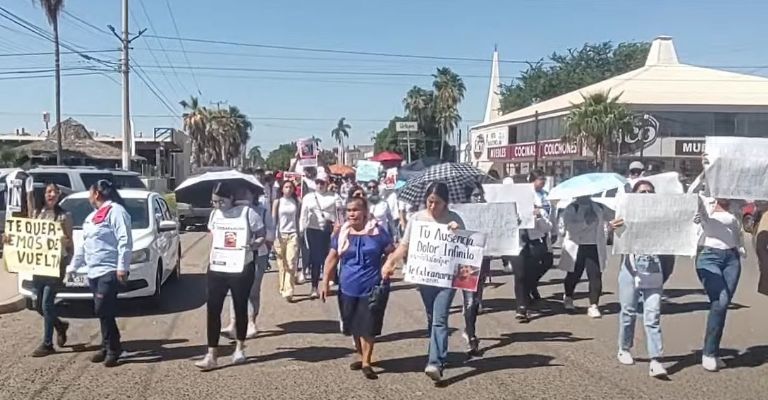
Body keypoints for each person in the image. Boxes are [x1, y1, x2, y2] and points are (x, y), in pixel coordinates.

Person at [382, 182, 465, 382]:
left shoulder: (454, 219)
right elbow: (405, 245)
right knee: (432, 315)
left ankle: (435, 362)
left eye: (437, 203)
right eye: (429, 201)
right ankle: (439, 350)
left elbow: (467, 250)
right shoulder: (416, 219)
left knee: (440, 317)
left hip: (447, 278)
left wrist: (459, 233)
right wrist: (390, 262)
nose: (432, 206)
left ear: (446, 203)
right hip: (425, 277)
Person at [319, 196, 394, 380]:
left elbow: (391, 252)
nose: (352, 214)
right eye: (349, 210)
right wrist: (324, 281)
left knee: (367, 326)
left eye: (356, 210)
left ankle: (367, 362)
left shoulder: (378, 232)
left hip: (372, 286)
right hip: (347, 287)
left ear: (365, 212)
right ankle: (361, 356)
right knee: (353, 325)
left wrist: (387, 267)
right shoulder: (342, 233)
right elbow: (332, 258)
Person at [196, 182, 265, 370]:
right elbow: (214, 235)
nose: (218, 205)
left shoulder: (248, 213)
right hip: (218, 266)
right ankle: (211, 354)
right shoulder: (215, 215)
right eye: (214, 202)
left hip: (241, 266)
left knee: (240, 305)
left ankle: (240, 347)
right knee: (213, 309)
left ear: (231, 198)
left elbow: (261, 235)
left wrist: (252, 244)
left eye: (221, 201)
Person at [66, 180, 132, 368]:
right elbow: (83, 246)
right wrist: (73, 267)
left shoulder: (117, 211)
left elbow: (125, 241)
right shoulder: (92, 217)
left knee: (102, 308)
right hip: (93, 271)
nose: (88, 196)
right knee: (104, 311)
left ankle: (113, 348)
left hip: (109, 270)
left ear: (96, 194)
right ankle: (108, 345)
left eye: (89, 192)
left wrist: (122, 267)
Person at [609, 180, 668, 378]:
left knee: (652, 315)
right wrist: (612, 228)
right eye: (642, 191)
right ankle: (624, 348)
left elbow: (677, 232)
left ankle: (656, 360)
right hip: (630, 269)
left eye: (650, 192)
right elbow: (614, 238)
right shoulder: (626, 214)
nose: (646, 194)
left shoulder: (661, 216)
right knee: (629, 312)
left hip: (653, 268)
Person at [20, 181, 74, 357]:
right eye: (49, 192)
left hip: (55, 266)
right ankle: (60, 325)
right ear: (44, 195)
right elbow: (26, 236)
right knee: (40, 307)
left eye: (55, 192)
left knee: (47, 303)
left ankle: (47, 343)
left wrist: (61, 241)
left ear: (59, 196)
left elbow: (69, 241)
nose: (52, 195)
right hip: (39, 266)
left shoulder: (64, 216)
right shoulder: (37, 214)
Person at [693, 193, 745, 372]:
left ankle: (712, 351)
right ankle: (708, 353)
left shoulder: (736, 203)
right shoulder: (704, 200)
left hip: (732, 258)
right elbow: (693, 217)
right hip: (708, 257)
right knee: (720, 300)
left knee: (721, 306)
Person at [221, 186, 276, 338]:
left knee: (252, 289)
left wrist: (259, 240)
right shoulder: (231, 213)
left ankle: (251, 322)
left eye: (245, 191)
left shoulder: (262, 212)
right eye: (239, 191)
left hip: (258, 254)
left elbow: (271, 233)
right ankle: (233, 323)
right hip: (235, 256)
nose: (242, 194)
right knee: (234, 289)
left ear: (253, 195)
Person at [560, 195, 610, 318]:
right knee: (574, 274)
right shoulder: (572, 208)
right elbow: (566, 229)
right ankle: (569, 297)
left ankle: (594, 305)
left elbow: (608, 220)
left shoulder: (598, 207)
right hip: (577, 245)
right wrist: (585, 222)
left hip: (594, 245)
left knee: (595, 275)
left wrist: (609, 227)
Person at [517, 170, 554, 322]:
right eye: (540, 179)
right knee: (520, 275)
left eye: (544, 180)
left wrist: (539, 216)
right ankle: (522, 307)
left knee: (540, 266)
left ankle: (530, 289)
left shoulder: (545, 197)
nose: (543, 182)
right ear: (532, 181)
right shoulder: (522, 195)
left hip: (537, 239)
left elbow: (549, 220)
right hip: (519, 240)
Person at [461, 183, 491, 355]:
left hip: (483, 260)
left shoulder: (488, 211)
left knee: (476, 300)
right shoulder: (461, 214)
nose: (479, 197)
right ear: (468, 198)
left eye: (480, 194)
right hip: (466, 262)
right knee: (470, 300)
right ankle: (472, 336)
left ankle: (468, 327)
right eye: (475, 195)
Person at [299, 175, 338, 299]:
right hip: (313, 230)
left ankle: (327, 283)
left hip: (329, 231)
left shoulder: (334, 197)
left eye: (322, 183)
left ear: (327, 183)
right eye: (317, 182)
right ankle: (314, 287)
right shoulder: (308, 197)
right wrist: (301, 229)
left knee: (328, 258)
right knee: (315, 259)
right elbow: (303, 214)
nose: (320, 185)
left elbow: (339, 215)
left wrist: (338, 229)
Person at [273, 180, 301, 302]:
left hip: (293, 234)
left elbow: (298, 217)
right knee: (282, 264)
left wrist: (299, 233)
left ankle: (288, 291)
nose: (288, 189)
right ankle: (283, 286)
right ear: (282, 189)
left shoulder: (296, 201)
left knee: (291, 262)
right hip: (280, 235)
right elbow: (273, 219)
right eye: (286, 187)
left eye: (290, 187)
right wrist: (272, 237)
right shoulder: (277, 202)